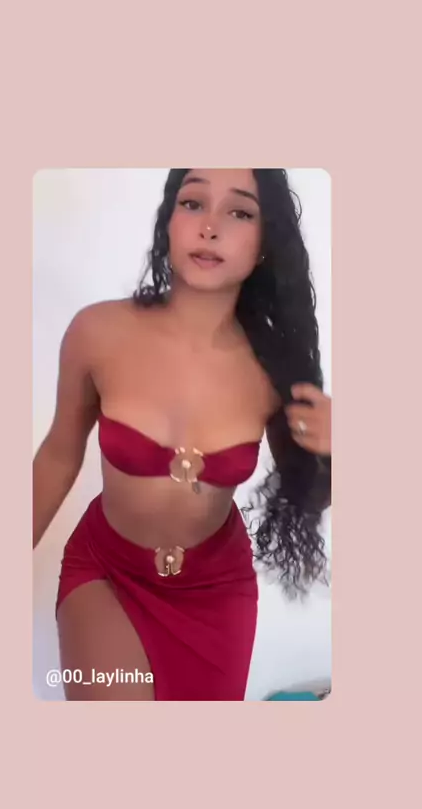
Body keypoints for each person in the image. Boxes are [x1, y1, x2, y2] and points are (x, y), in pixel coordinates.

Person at [33, 168, 332, 702]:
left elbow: (307, 494)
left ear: (265, 242)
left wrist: (338, 453)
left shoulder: (273, 370)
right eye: (193, 203)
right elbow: (58, 455)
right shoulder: (96, 332)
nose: (210, 226)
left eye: (239, 211)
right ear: (168, 221)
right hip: (106, 573)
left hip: (218, 591)